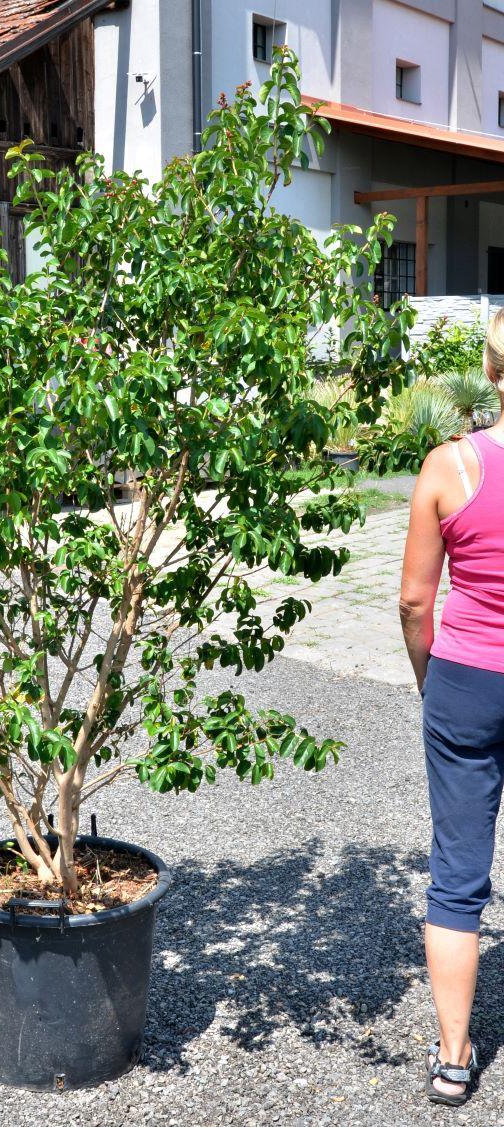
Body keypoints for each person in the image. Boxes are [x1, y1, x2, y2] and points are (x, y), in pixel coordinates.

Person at [400, 308, 504, 1107]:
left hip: (467, 681)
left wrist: (428, 676)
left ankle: (452, 1057)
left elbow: (413, 600)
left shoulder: (448, 466)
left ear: (493, 371)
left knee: (458, 876)